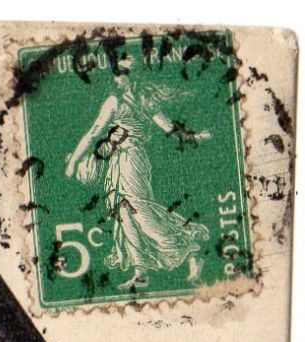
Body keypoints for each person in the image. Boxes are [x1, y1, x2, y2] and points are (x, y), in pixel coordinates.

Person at [62, 52, 211, 291]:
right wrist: (74, 161)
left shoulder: (144, 101)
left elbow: (169, 128)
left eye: (125, 72)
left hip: (133, 161)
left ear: (134, 76)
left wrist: (193, 137)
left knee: (140, 210)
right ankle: (141, 271)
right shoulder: (113, 101)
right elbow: (93, 133)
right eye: (117, 72)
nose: (119, 77)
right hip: (115, 162)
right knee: (123, 215)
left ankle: (189, 248)